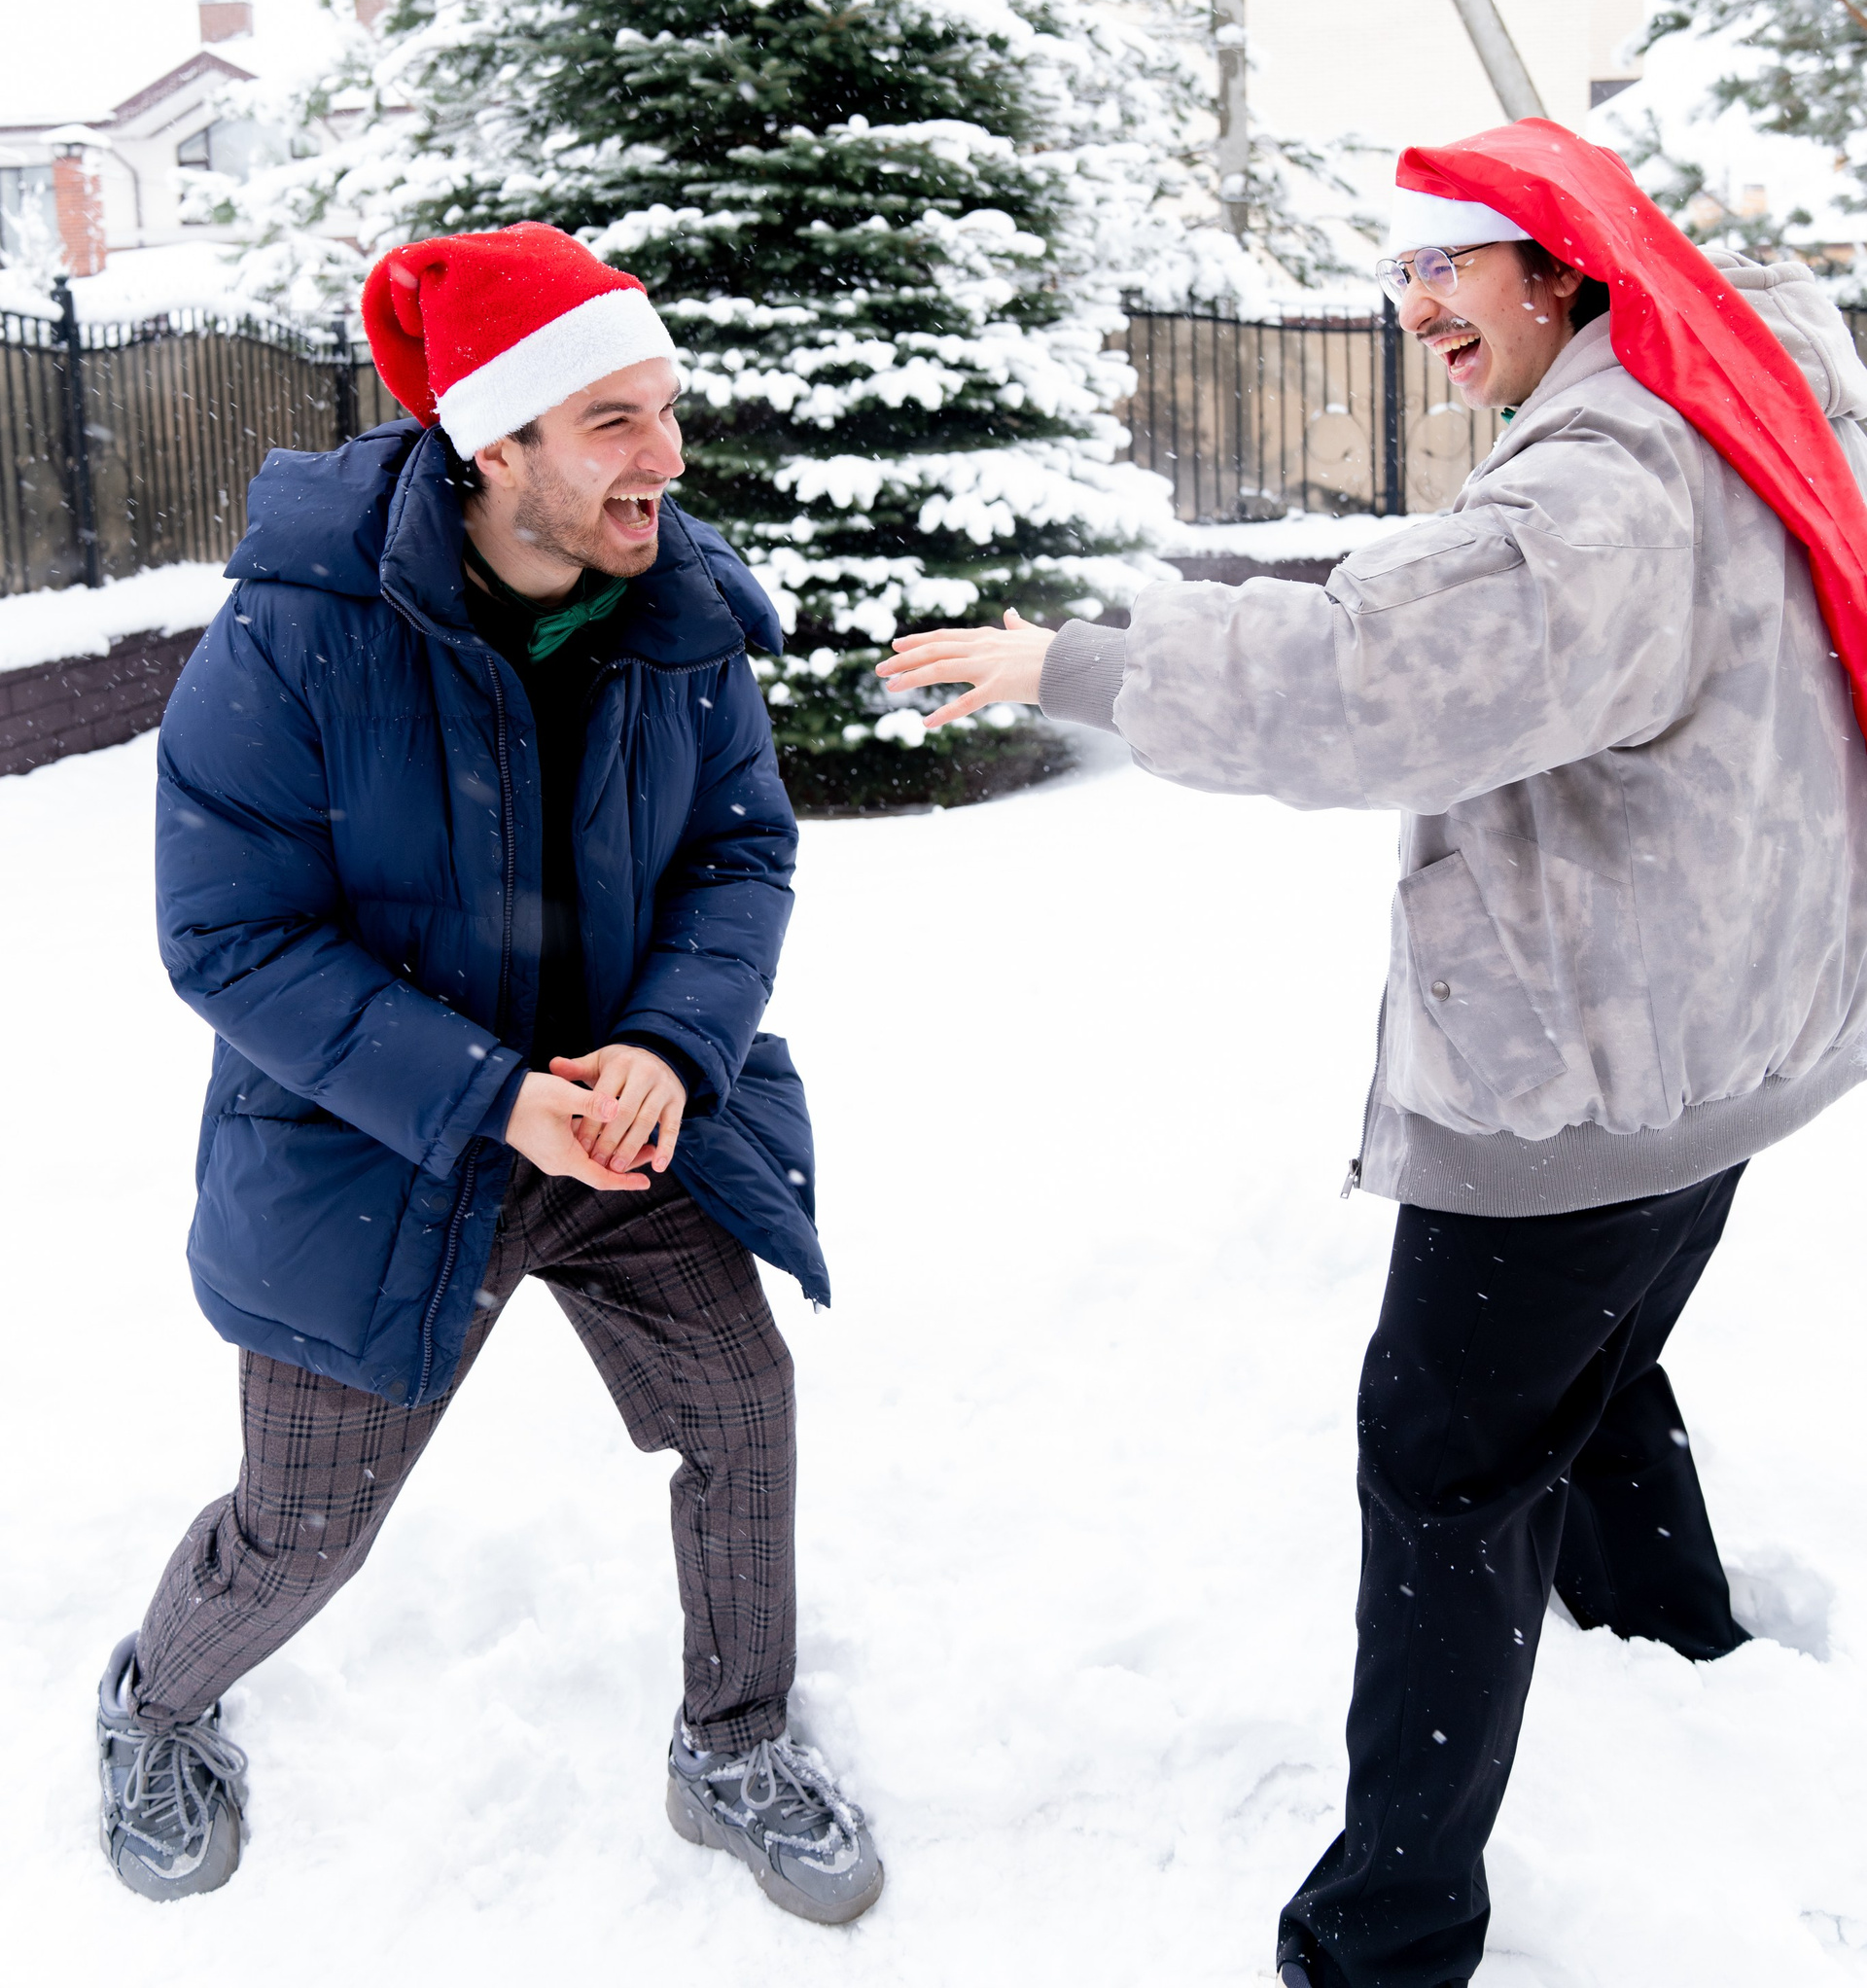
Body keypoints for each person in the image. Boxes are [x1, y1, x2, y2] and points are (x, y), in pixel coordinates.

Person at [884, 120, 1867, 1988]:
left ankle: (1391, 1933)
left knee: (1443, 1472)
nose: (1413, 305)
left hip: (1590, 1067)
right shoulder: (1737, 387)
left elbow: (1371, 683)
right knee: (1597, 1359)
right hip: (1737, 1027)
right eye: (1398, 268)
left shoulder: (1606, 485)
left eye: (1448, 263)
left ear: (1563, 265)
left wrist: (1073, 666)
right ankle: (1674, 1640)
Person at [97, 223, 883, 1925]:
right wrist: (493, 1096)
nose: (669, 456)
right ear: (496, 444)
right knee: (304, 1527)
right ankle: (156, 1704)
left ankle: (736, 1742)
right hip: (376, 1149)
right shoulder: (298, 636)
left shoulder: (678, 608)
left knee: (740, 1411)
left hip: (619, 1128)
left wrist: (669, 1046)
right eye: (614, 420)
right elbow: (231, 939)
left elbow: (739, 850)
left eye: (667, 408)